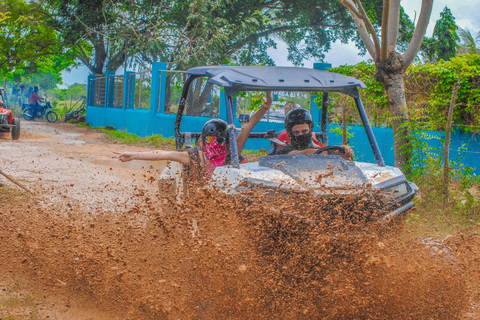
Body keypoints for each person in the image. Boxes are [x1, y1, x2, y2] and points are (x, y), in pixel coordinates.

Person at [114, 92, 273, 180]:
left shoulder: (234, 151)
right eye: (211, 139)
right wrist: (134, 155)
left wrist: (267, 103)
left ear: (226, 139)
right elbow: (163, 154)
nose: (216, 143)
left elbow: (251, 123)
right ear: (204, 140)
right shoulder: (197, 156)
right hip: (201, 202)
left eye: (220, 139)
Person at [273, 108, 354, 160]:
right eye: (296, 132)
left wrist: (344, 152)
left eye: (304, 131)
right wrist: (335, 152)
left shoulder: (318, 149)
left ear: (310, 130)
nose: (301, 135)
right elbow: (305, 153)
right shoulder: (283, 151)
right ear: (290, 134)